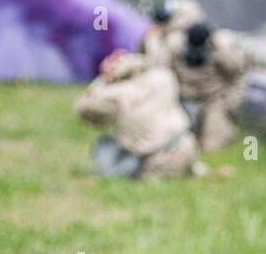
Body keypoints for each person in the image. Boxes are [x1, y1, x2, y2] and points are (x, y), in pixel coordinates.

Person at [75, 49, 199, 180]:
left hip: (155, 161)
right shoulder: (164, 76)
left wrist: (103, 78)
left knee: (105, 144)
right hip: (185, 150)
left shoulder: (112, 93)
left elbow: (83, 108)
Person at [168, 20, 247, 152]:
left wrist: (230, 103)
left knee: (211, 146)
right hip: (187, 100)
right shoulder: (176, 49)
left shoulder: (221, 49)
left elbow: (237, 75)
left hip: (214, 100)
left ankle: (227, 131)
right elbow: (168, 74)